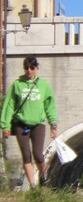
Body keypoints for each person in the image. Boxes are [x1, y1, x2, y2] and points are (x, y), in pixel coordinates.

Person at [1, 56, 58, 188]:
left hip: (38, 124)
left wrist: (53, 126)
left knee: (38, 155)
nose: (29, 70)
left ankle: (44, 176)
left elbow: (50, 106)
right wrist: (6, 125)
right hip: (21, 124)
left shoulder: (43, 86)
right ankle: (32, 185)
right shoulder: (17, 84)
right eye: (26, 68)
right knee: (26, 155)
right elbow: (9, 105)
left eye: (32, 68)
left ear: (36, 68)